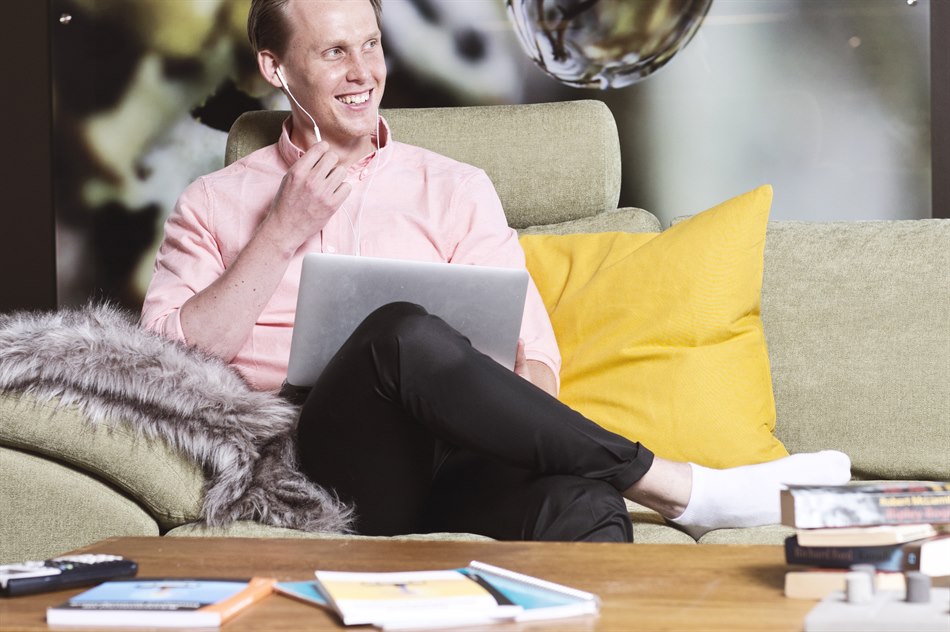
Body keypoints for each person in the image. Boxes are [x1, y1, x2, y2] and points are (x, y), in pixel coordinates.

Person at [141, 0, 851, 542]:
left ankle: (641, 506)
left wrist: (501, 407)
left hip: (460, 462)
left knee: (585, 505)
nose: (363, 73)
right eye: (334, 52)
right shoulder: (215, 201)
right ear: (276, 68)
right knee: (397, 334)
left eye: (371, 45)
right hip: (322, 470)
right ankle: (678, 488)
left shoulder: (455, 188)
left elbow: (535, 360)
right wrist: (280, 232)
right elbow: (160, 368)